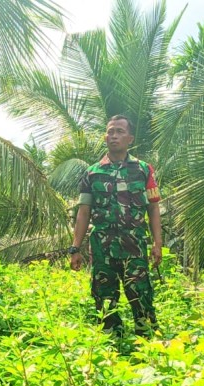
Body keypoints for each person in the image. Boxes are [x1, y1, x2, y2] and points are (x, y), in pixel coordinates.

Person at [68, 115, 163, 337]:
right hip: (103, 248)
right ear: (105, 137)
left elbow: (153, 208)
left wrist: (157, 244)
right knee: (104, 299)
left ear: (130, 138)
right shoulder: (92, 173)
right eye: (110, 131)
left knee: (141, 296)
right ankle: (113, 345)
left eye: (120, 131)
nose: (114, 136)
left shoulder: (144, 170)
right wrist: (75, 248)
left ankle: (147, 344)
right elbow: (84, 212)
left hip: (134, 246)